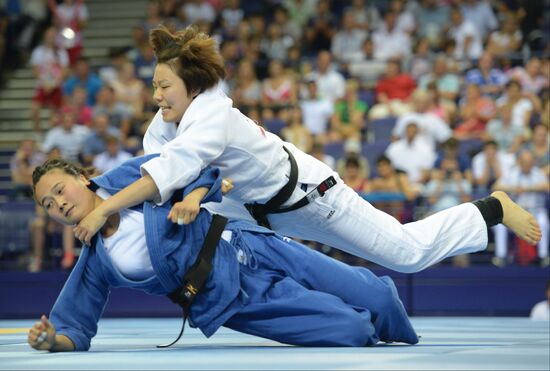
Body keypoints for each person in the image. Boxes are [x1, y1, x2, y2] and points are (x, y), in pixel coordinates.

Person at [74, 25, 541, 274]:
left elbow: (161, 177)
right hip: (252, 210)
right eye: (153, 86)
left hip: (313, 197)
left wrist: (100, 211)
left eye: (164, 86)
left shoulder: (211, 114)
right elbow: (164, 181)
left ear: (192, 83)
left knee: (407, 254)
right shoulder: (162, 128)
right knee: (182, 223)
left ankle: (490, 208)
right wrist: (100, 198)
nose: (156, 96)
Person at [28, 156, 419, 351]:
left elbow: (197, 169)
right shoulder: (98, 261)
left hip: (246, 244)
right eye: (48, 204)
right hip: (227, 300)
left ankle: (402, 332)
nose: (57, 204)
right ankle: (363, 331)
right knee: (349, 331)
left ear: (83, 177)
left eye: (60, 190)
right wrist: (51, 341)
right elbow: (73, 328)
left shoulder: (132, 177)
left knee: (376, 296)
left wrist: (194, 198)